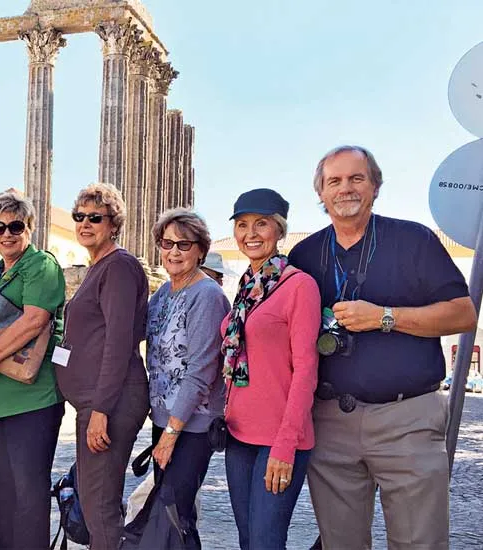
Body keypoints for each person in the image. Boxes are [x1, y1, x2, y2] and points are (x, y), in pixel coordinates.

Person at [288, 145, 477, 550]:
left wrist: (384, 316)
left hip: (406, 418)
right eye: (334, 181)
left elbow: (463, 315)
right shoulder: (304, 256)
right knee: (341, 544)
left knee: (419, 543)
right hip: (330, 420)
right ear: (320, 193)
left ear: (375, 186)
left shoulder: (414, 240)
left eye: (357, 178)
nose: (345, 189)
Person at [0, 191, 66, 549]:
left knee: (29, 497)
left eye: (16, 226)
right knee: (1, 498)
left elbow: (35, 320)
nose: (7, 234)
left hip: (30, 400)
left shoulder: (40, 266)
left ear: (30, 228)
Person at [220, 189, 320, 549]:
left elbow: (306, 368)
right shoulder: (247, 285)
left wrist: (285, 445)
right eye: (242, 225)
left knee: (266, 541)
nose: (251, 233)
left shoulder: (299, 286)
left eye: (261, 224)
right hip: (238, 433)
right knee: (249, 540)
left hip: (278, 439)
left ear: (279, 230)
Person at [55, 182, 150, 550]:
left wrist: (100, 410)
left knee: (100, 508)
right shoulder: (99, 267)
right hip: (95, 402)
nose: (84, 224)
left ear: (114, 224)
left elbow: (118, 343)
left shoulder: (119, 267)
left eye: (96, 217)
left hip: (109, 401)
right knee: (95, 504)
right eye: (79, 216)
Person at [146, 208, 231, 548]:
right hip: (164, 418)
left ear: (200, 250)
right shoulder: (164, 292)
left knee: (177, 516)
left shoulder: (208, 295)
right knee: (166, 514)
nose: (174, 252)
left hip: (192, 425)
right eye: (167, 243)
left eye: (184, 244)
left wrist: (170, 435)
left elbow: (200, 372)